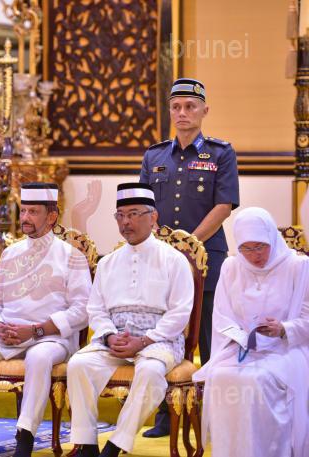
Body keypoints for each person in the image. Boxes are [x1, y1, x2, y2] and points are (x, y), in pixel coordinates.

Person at [0, 183, 92, 457]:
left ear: (52, 216)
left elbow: (82, 310)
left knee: (39, 358)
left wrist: (35, 330)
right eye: (23, 211)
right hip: (7, 335)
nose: (25, 218)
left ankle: (25, 437)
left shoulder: (72, 256)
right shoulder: (11, 253)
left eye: (33, 212)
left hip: (50, 338)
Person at [139, 78, 239, 437]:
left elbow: (224, 205)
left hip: (206, 259)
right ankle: (166, 417)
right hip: (162, 261)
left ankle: (212, 419)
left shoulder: (220, 153)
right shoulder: (154, 156)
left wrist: (188, 244)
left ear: (204, 110)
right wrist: (164, 244)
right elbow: (143, 205)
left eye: (190, 106)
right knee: (165, 336)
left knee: (211, 341)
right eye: (176, 107)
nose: (183, 113)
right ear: (170, 111)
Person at [67, 183, 193, 457]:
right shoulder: (108, 262)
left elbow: (180, 312)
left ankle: (115, 444)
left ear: (153, 216)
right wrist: (109, 335)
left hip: (159, 340)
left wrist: (144, 340)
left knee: (150, 372)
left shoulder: (174, 260)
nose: (126, 222)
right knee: (78, 364)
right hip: (115, 339)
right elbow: (96, 309)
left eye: (134, 214)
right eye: (120, 216)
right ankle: (87, 444)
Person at [192, 207, 309, 457]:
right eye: (246, 248)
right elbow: (222, 315)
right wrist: (241, 336)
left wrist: (284, 329)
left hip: (286, 349)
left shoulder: (298, 267)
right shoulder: (231, 267)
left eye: (260, 246)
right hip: (243, 350)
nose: (254, 255)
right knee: (221, 376)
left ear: (272, 238)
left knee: (257, 380)